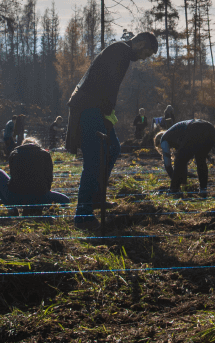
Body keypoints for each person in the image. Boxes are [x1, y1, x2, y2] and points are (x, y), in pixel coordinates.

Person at [66, 32, 159, 229]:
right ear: (141, 43)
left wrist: (108, 112)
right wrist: (108, 112)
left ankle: (97, 198)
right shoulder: (121, 51)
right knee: (95, 158)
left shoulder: (120, 51)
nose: (144, 58)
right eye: (147, 53)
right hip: (89, 108)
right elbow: (109, 84)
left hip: (96, 108)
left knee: (113, 149)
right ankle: (82, 214)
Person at [0, 137, 70, 215]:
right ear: (36, 144)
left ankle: (12, 209)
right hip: (41, 196)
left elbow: (13, 178)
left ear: (22, 145)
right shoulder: (45, 154)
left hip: (18, 198)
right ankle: (39, 207)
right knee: (66, 200)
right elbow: (49, 178)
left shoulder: (14, 154)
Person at [157, 119, 215, 196]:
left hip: (195, 128)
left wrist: (173, 177)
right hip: (211, 129)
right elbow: (184, 159)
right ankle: (203, 189)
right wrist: (183, 181)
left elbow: (168, 164)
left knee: (179, 161)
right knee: (200, 159)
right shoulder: (177, 134)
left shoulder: (164, 138)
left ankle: (174, 190)